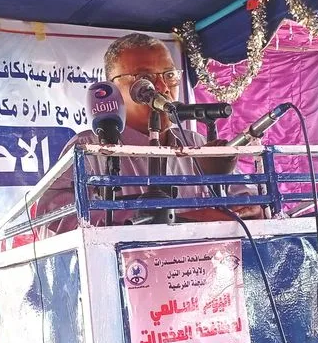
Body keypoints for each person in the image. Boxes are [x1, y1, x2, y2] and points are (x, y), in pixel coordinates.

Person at [37, 33, 261, 237]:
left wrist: (251, 208)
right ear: (113, 90)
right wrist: (179, 221)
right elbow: (51, 219)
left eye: (169, 75)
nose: (163, 87)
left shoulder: (196, 143)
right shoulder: (89, 149)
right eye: (145, 79)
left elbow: (248, 201)